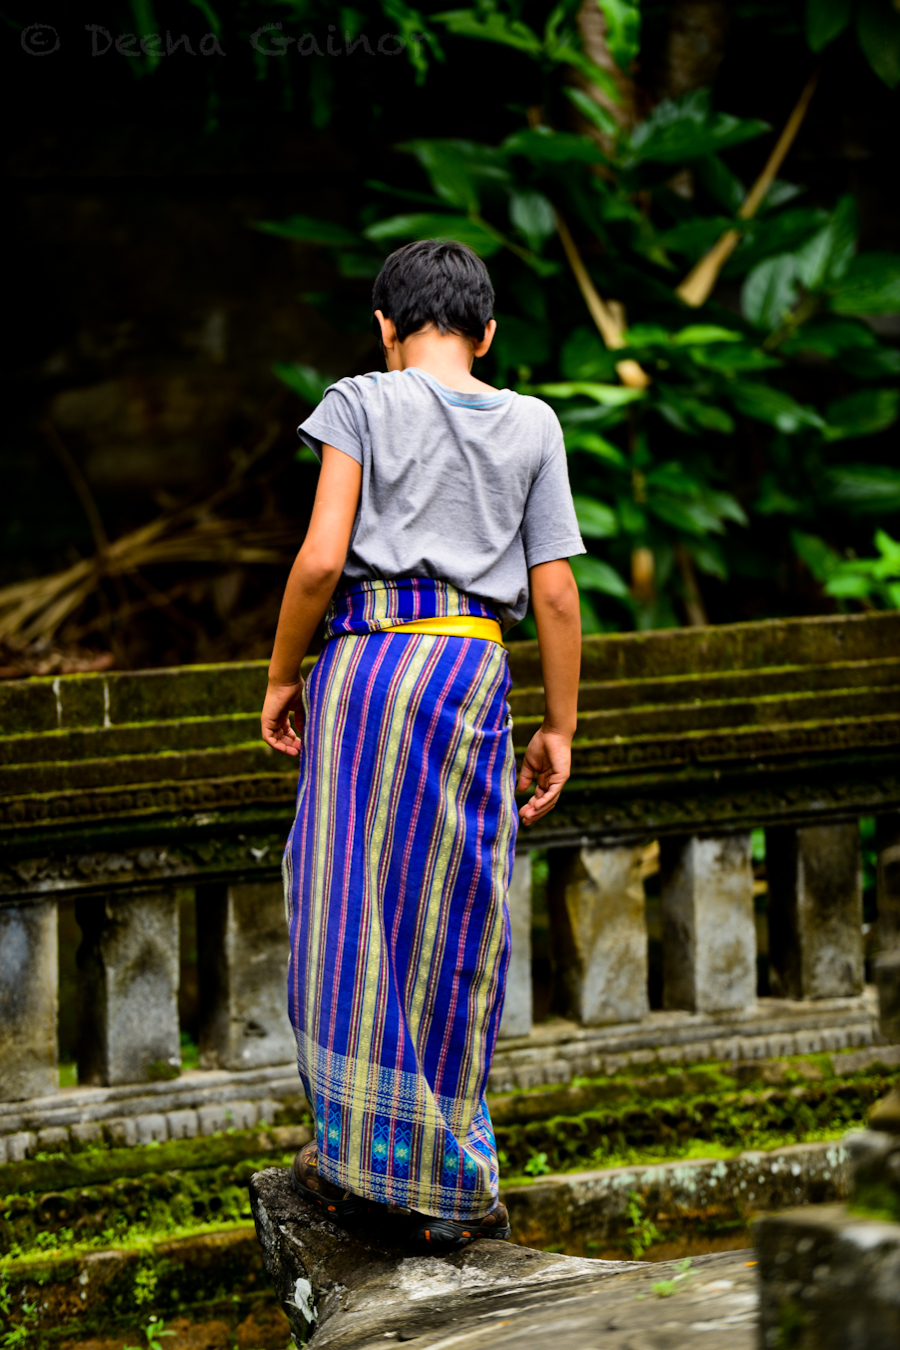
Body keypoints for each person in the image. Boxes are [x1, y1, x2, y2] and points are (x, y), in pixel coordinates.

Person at [261, 238, 583, 1251]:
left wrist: (280, 674)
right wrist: (560, 725)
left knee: (348, 910)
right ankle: (453, 1176)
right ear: (486, 334)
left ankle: (356, 1160)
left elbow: (321, 560)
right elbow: (555, 592)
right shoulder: (534, 422)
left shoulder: (359, 400)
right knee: (454, 914)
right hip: (469, 672)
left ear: (385, 327)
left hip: (365, 669)